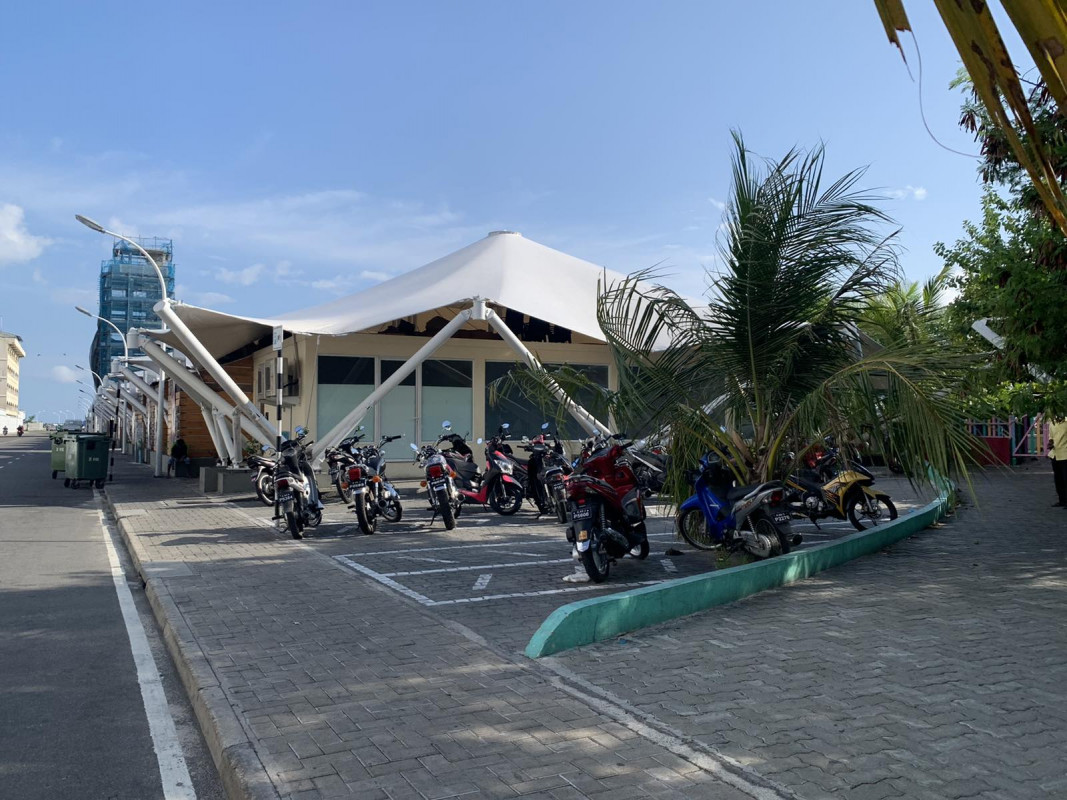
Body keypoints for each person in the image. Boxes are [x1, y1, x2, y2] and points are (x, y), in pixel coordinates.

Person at [1050, 416, 1067, 508]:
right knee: (1058, 479)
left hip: (1065, 454)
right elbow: (1051, 436)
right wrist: (1050, 442)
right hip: (1055, 454)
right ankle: (1062, 500)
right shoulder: (1052, 422)